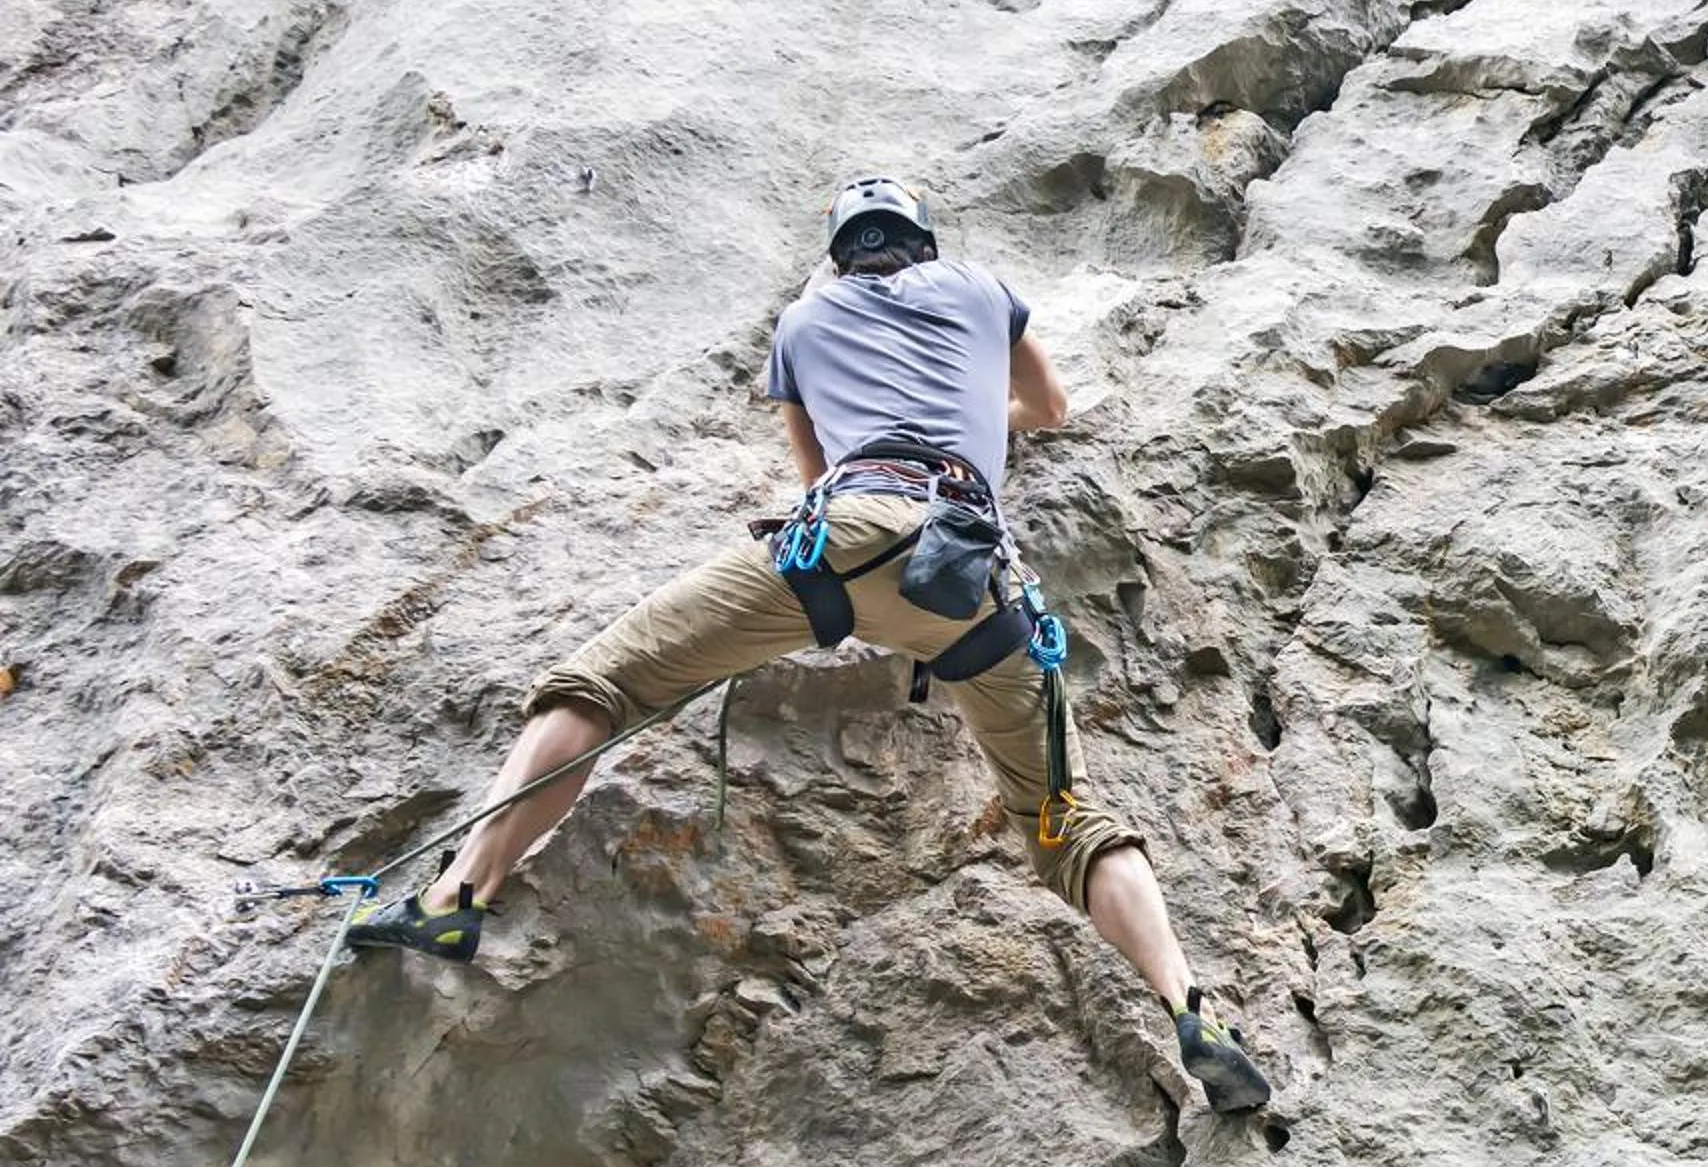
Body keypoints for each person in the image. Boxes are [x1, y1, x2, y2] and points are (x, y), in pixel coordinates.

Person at [345, 176, 1274, 1113]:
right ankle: (1191, 1005)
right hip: (970, 581)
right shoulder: (981, 289)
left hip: (841, 546)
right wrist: (977, 422)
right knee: (1065, 821)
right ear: (924, 242)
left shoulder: (803, 318)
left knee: (595, 685)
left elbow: (813, 475)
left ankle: (458, 896)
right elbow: (1052, 406)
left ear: (840, 255)